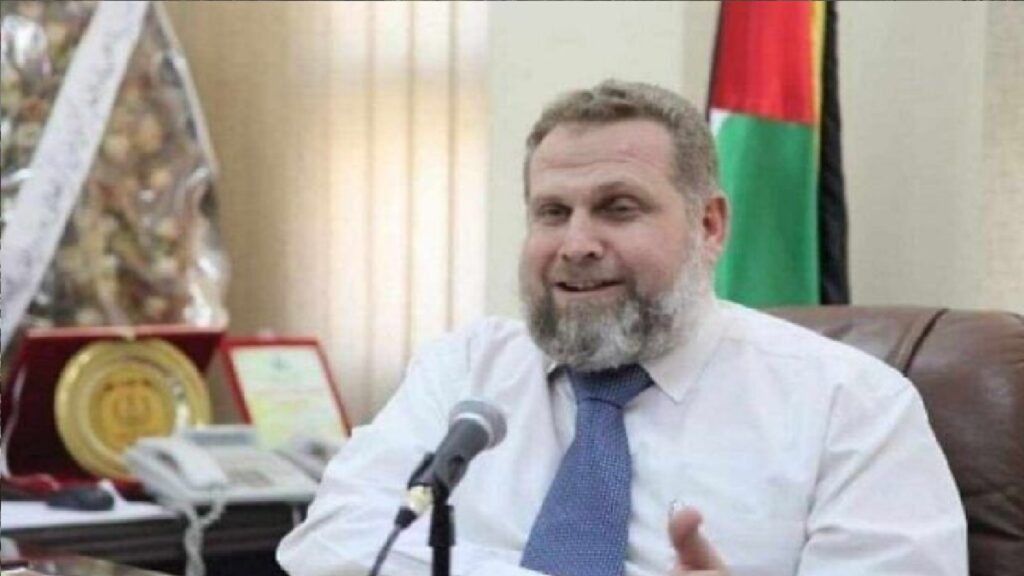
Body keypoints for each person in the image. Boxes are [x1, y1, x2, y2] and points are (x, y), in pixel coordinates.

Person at [277, 80, 967, 576]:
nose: (576, 244)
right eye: (552, 213)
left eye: (618, 208)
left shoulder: (852, 404)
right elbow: (330, 541)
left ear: (709, 226)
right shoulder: (467, 370)